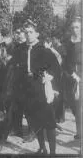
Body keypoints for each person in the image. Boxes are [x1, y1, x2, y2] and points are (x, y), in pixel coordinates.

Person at [16, 19, 61, 154]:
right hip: (27, 90)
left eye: (31, 32)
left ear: (37, 34)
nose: (28, 34)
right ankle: (42, 148)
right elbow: (16, 67)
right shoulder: (21, 49)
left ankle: (52, 152)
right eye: (26, 32)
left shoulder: (44, 50)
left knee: (48, 121)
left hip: (41, 90)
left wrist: (48, 78)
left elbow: (56, 68)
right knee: (34, 120)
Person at [64, 17, 81, 140]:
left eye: (77, 27)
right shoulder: (68, 43)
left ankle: (80, 133)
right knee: (74, 105)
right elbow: (66, 61)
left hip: (81, 76)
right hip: (71, 76)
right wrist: (72, 74)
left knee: (79, 105)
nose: (75, 30)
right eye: (73, 27)